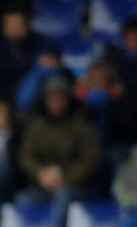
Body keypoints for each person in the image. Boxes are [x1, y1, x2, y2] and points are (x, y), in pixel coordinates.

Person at [16, 75, 100, 214]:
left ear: (68, 100)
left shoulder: (81, 124)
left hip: (73, 185)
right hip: (43, 184)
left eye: (60, 98)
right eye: (52, 98)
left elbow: (90, 159)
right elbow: (26, 156)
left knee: (62, 198)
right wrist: (40, 173)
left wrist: (65, 178)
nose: (56, 103)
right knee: (23, 199)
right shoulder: (37, 126)